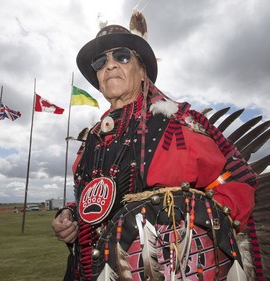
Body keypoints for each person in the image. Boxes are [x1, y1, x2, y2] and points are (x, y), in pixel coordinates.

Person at [52, 24, 257, 280]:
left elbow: (236, 184)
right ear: (98, 80)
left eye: (122, 56)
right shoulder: (90, 142)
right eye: (100, 61)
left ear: (142, 72)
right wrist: (71, 215)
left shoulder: (177, 124)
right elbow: (101, 200)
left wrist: (190, 235)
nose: (110, 65)